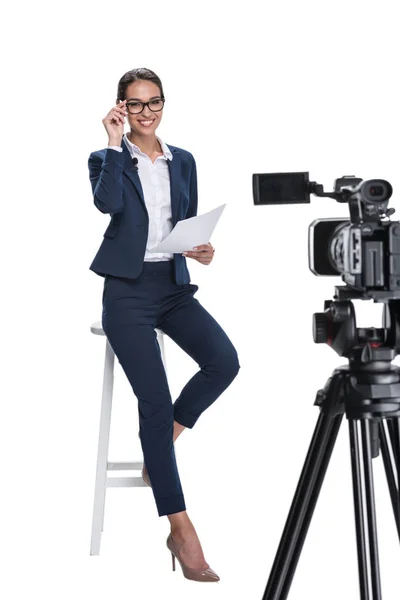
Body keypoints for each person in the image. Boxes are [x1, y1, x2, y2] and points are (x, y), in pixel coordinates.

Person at [87, 67, 240, 582]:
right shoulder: (106, 158)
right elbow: (106, 205)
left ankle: (164, 438)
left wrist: (202, 249)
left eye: (154, 102)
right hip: (126, 294)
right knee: (153, 400)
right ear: (120, 108)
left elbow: (186, 225)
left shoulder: (184, 160)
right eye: (136, 104)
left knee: (224, 361)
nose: (147, 112)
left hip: (171, 287)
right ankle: (181, 527)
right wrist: (112, 144)